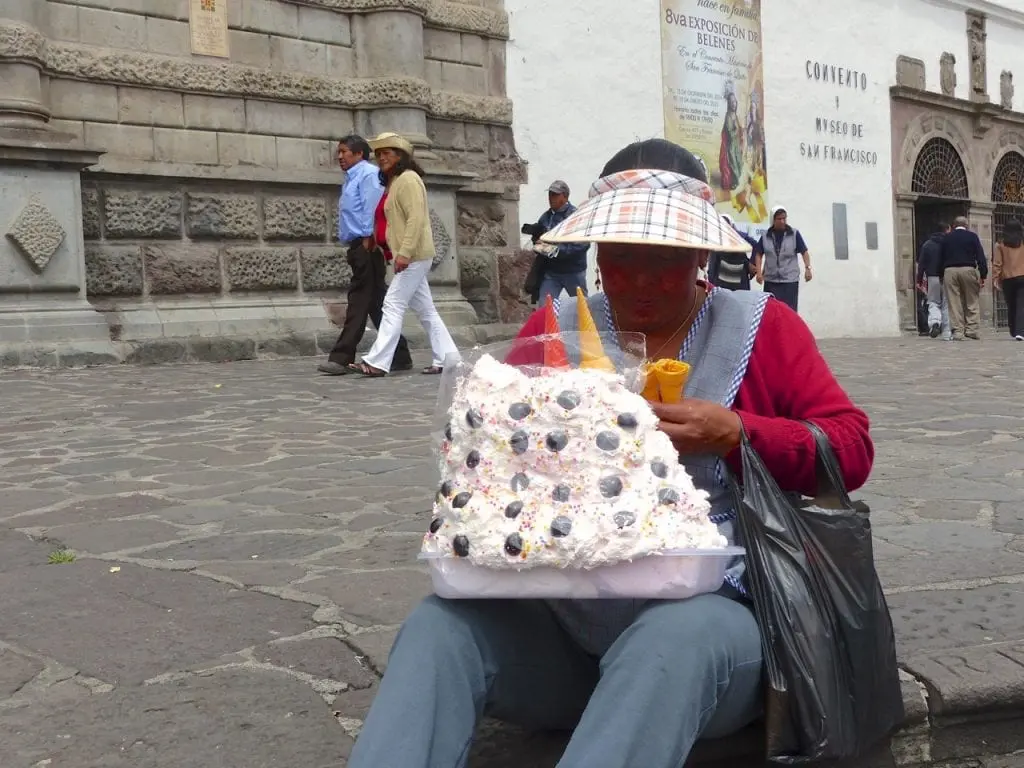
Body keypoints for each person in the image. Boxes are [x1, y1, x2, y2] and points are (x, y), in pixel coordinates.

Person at [346, 138, 874, 768]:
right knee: (439, 628)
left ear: (701, 252)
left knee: (671, 641)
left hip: (709, 636)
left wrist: (739, 433)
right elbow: (486, 455)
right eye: (623, 259)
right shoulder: (557, 330)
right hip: (565, 637)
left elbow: (851, 447)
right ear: (597, 255)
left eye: (666, 261)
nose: (643, 281)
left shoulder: (762, 328)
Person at [347, 132, 460, 377]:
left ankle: (378, 362)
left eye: (387, 153)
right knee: (426, 310)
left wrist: (405, 253)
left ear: (400, 156)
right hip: (410, 254)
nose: (382, 158)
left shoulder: (408, 179)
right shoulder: (395, 181)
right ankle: (448, 358)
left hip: (414, 254)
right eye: (379, 154)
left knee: (392, 303)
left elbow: (416, 219)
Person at [318, 135, 412, 375]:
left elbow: (374, 209)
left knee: (359, 300)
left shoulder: (368, 175)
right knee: (376, 303)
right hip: (359, 245)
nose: (339, 157)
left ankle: (341, 356)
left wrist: (371, 239)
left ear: (359, 154)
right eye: (338, 152)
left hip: (368, 246)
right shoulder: (352, 178)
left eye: (344, 152)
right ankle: (399, 354)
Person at [531, 180, 591, 302]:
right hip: (552, 272)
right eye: (550, 194)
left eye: (554, 195)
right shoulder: (546, 217)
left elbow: (583, 244)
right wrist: (537, 242)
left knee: (582, 308)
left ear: (564, 196)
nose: (550, 198)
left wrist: (556, 250)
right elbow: (540, 239)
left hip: (574, 272)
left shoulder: (576, 216)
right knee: (545, 308)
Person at [752, 206, 812, 312]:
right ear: (773, 220)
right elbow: (758, 254)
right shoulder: (765, 236)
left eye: (784, 218)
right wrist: (759, 273)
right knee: (772, 311)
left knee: (789, 311)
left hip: (789, 281)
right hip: (771, 281)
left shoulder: (794, 234)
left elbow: (804, 252)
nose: (782, 221)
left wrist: (808, 268)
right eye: (779, 219)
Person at [940, 215, 988, 341]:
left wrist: (941, 274)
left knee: (954, 302)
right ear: (966, 226)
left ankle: (957, 331)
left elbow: (941, 257)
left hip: (950, 270)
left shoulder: (947, 237)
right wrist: (983, 274)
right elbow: (981, 256)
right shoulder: (972, 236)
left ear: (954, 225)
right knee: (971, 300)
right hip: (968, 269)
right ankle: (971, 329)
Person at [916, 222, 952, 340]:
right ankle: (946, 331)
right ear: (947, 229)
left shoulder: (927, 244)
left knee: (933, 302)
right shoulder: (948, 243)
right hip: (946, 276)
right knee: (947, 304)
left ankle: (935, 322)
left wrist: (919, 279)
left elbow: (921, 264)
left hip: (932, 277)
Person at [707, 212, 758, 291]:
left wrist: (752, 263)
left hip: (736, 278)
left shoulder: (739, 235)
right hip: (726, 279)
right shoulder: (717, 238)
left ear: (731, 226)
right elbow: (713, 263)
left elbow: (756, 245)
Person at [993, 218, 1024, 340]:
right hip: (1023, 277)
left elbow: (997, 263)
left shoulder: (1001, 245)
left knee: (1011, 305)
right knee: (1021, 305)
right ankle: (1020, 331)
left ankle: (1013, 330)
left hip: (1008, 278)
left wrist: (996, 278)